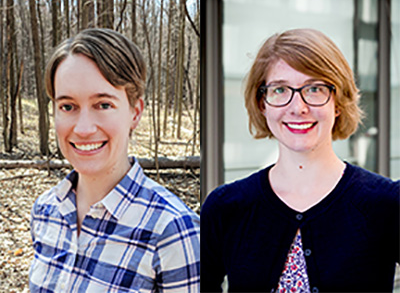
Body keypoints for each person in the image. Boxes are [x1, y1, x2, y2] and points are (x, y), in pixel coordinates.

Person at [200, 28, 399, 292]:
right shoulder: (225, 208)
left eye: (315, 89)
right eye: (280, 89)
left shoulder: (386, 203)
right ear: (262, 103)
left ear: (337, 102)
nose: (298, 107)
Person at [29, 28, 200, 292]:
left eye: (103, 105)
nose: (83, 128)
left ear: (135, 112)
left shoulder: (173, 231)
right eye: (67, 106)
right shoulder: (45, 211)